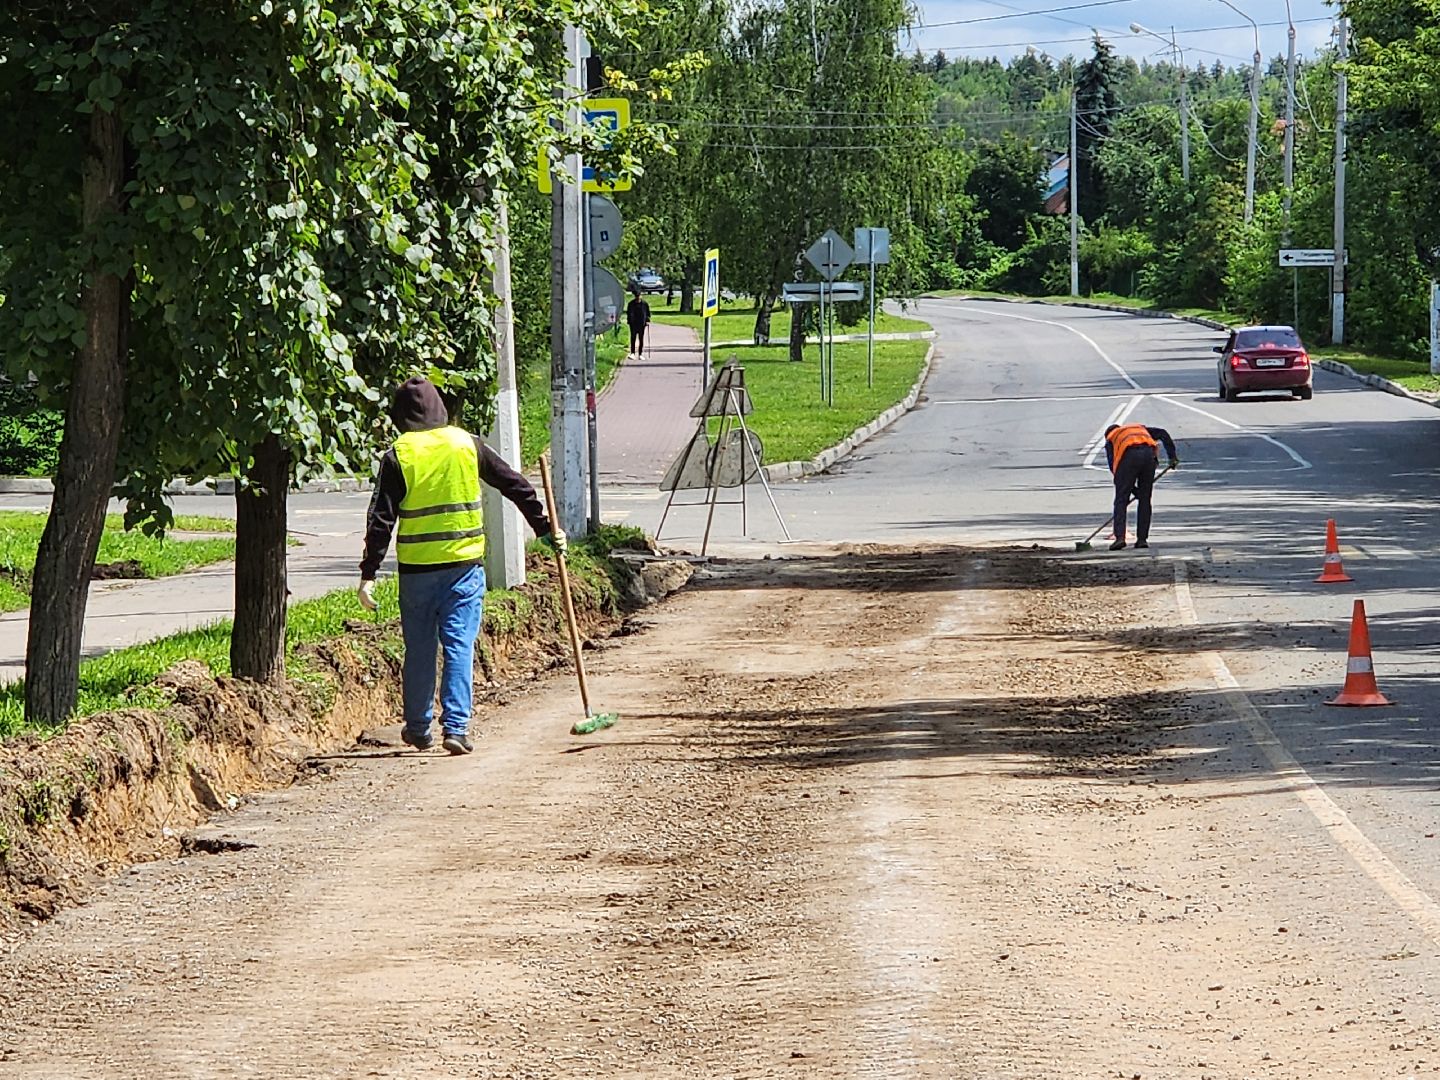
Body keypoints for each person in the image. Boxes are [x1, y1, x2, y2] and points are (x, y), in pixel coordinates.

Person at [358, 377, 563, 755]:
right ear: (439, 407)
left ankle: (418, 728)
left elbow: (380, 519)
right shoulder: (467, 444)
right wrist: (545, 529)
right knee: (459, 645)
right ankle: (457, 727)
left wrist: (369, 573)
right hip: (465, 568)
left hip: (418, 572)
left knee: (418, 649)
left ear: (400, 416)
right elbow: (516, 485)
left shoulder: (398, 455)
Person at [1103, 422, 1179, 551]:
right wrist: (1172, 457)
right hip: (1149, 456)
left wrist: (1131, 489)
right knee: (1145, 499)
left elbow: (1115, 470)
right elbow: (1163, 433)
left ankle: (1120, 538)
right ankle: (1142, 540)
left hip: (1128, 457)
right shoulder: (1139, 429)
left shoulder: (1111, 439)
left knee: (1121, 500)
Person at [626, 288, 650, 357]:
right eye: (637, 296)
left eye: (639, 296)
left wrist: (647, 320)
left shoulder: (644, 304)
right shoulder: (631, 304)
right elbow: (629, 313)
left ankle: (640, 353)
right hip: (633, 324)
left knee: (641, 338)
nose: (638, 297)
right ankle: (632, 353)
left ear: (641, 296)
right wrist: (629, 321)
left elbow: (647, 313)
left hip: (642, 324)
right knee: (633, 338)